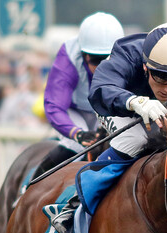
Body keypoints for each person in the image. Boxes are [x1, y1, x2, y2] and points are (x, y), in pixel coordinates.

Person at [49, 21, 167, 233]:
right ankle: (72, 204)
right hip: (116, 104)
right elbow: (100, 89)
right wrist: (134, 102)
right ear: (145, 67)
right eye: (162, 78)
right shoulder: (127, 53)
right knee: (135, 139)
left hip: (158, 106)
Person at [35, 12, 125, 177]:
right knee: (77, 145)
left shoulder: (128, 55)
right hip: (76, 111)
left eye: (108, 59)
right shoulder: (68, 57)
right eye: (96, 60)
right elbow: (54, 106)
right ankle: (31, 188)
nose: (102, 67)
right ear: (84, 55)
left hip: (107, 110)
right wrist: (76, 133)